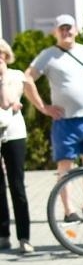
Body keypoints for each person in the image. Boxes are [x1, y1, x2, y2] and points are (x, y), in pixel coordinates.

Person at [23, 14, 83, 220]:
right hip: (65, 122)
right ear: (55, 32)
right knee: (65, 168)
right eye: (61, 28)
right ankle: (68, 210)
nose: (66, 32)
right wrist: (43, 107)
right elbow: (27, 78)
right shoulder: (48, 55)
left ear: (76, 30)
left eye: (69, 28)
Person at [0, 37, 34, 253]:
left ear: (6, 56)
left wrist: (2, 78)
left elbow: (7, 101)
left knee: (17, 185)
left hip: (13, 135)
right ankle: (3, 234)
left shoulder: (15, 76)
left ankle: (24, 236)